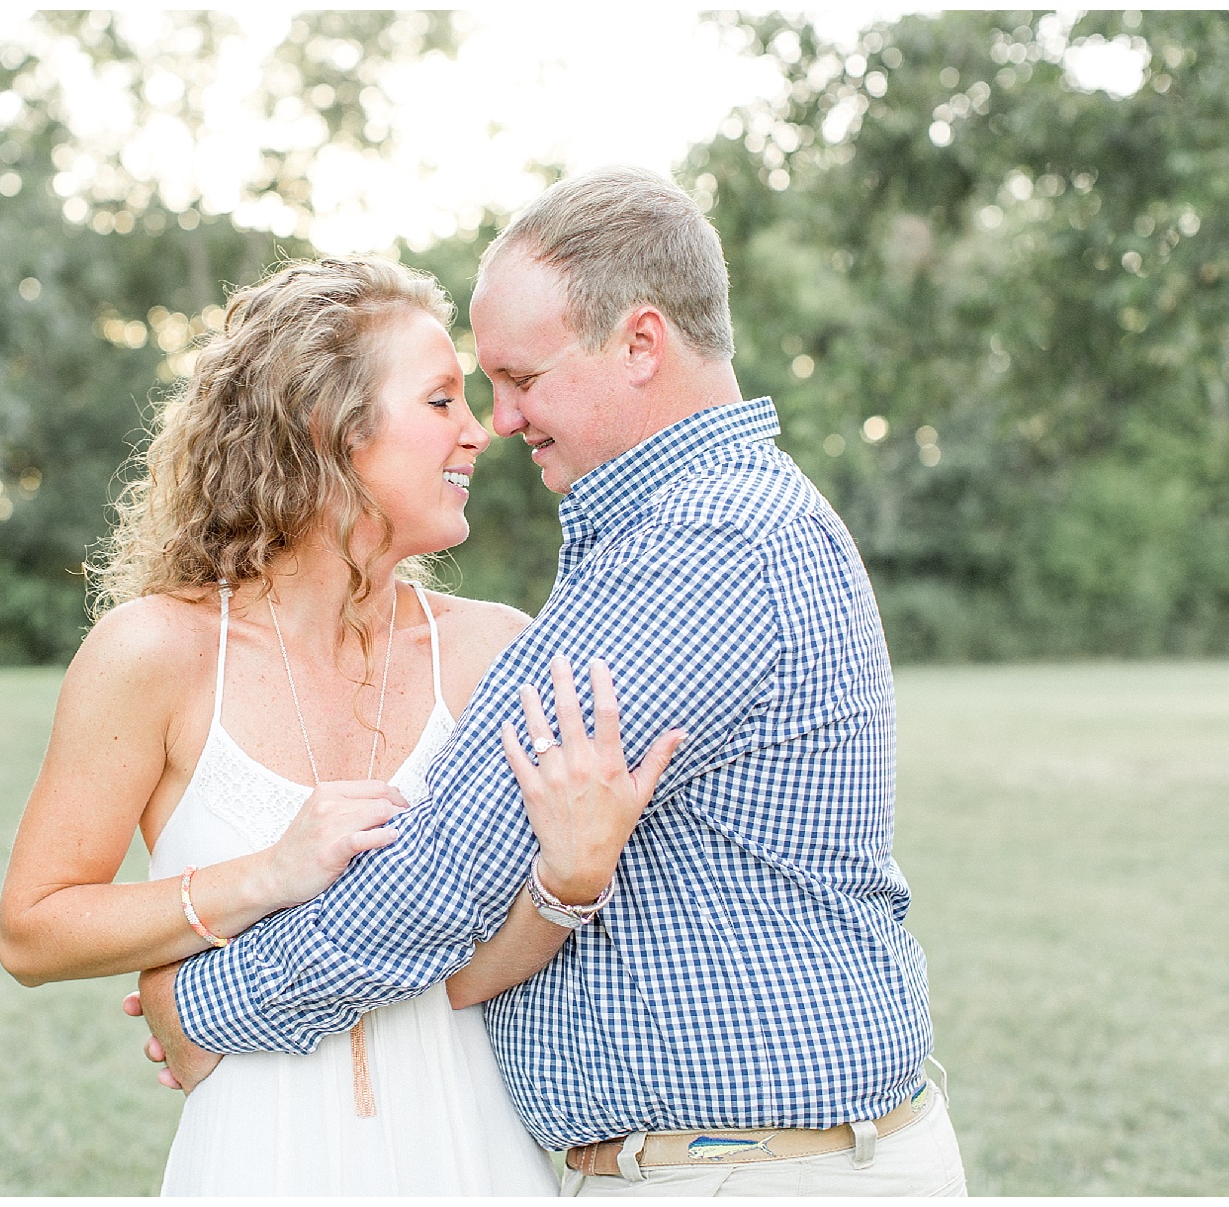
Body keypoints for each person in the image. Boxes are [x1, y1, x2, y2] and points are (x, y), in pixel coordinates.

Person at [137, 166, 969, 1197]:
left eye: (520, 377)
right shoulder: (696, 526)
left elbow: (449, 868)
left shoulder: (703, 546)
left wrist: (207, 1003)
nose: (501, 419)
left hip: (756, 1173)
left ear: (641, 343)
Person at [0, 255, 683, 1195]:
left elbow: (483, 965)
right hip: (258, 1160)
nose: (480, 431)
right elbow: (33, 931)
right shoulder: (155, 651)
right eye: (440, 400)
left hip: (475, 1157)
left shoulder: (495, 652)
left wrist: (569, 881)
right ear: (328, 425)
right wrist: (263, 877)